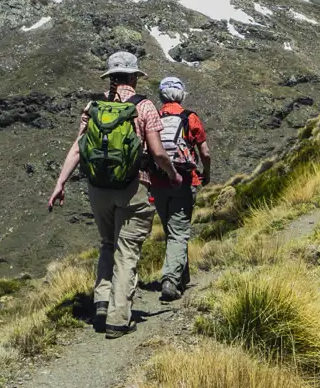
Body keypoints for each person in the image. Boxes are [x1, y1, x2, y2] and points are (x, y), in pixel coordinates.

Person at [48, 52, 182, 339]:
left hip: (98, 190)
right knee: (127, 251)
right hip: (134, 188)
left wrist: (60, 183)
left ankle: (101, 302)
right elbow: (158, 152)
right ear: (134, 77)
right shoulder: (145, 107)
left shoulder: (93, 107)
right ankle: (119, 318)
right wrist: (173, 175)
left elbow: (77, 148)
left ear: (109, 78)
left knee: (108, 243)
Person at [148, 76, 211, 302]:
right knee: (179, 232)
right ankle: (170, 281)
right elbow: (205, 153)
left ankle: (180, 278)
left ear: (162, 95)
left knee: (172, 231)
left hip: (158, 183)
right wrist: (207, 173)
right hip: (185, 181)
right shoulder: (190, 118)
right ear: (181, 94)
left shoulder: (152, 116)